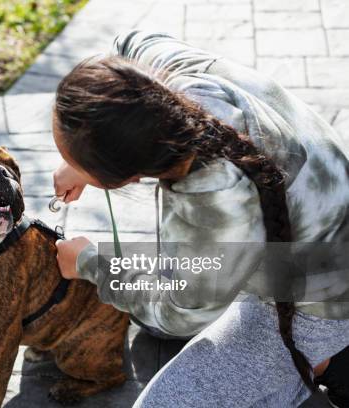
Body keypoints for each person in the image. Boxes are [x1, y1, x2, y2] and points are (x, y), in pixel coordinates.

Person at [52, 31, 349, 407]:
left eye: (78, 162)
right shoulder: (165, 77)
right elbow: (125, 42)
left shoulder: (217, 202)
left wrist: (91, 263)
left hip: (323, 299)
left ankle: (324, 362)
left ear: (126, 176)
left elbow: (179, 312)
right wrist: (82, 157)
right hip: (319, 228)